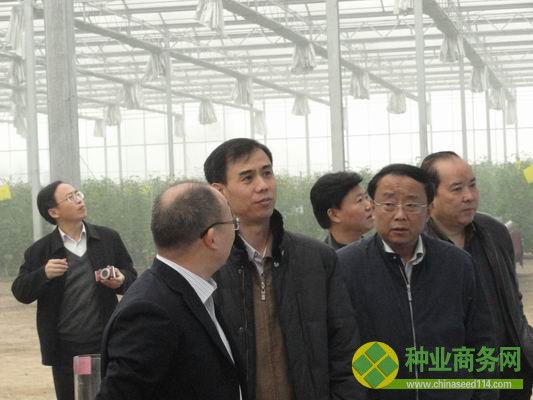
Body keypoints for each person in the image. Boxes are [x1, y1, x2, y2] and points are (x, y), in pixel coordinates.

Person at [204, 138, 364, 400]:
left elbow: (345, 346)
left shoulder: (316, 258)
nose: (263, 185)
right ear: (219, 191)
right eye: (248, 178)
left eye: (267, 173)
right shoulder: (207, 266)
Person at [337, 164, 496, 400]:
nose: (400, 215)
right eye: (389, 204)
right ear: (373, 207)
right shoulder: (345, 266)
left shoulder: (458, 264)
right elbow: (338, 350)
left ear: (429, 210)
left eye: (412, 205)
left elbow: (482, 341)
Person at [97, 181, 242, 400]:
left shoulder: (192, 292)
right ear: (211, 237)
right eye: (233, 222)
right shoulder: (149, 312)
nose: (235, 229)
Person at [421, 151, 533, 399]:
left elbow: (512, 299)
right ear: (430, 197)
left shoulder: (493, 232)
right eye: (457, 189)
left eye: (472, 185)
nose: (469, 196)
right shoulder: (418, 246)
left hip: (509, 371)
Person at [11, 180, 137, 400]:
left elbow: (132, 277)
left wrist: (121, 280)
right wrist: (43, 274)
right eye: (70, 197)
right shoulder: (40, 251)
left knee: (111, 395)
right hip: (65, 349)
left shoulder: (108, 238)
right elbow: (20, 291)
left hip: (106, 343)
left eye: (78, 194)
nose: (79, 200)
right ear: (54, 212)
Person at [310, 171, 373, 250]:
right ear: (334, 215)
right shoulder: (322, 257)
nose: (369, 206)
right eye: (359, 200)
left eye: (366, 197)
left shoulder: (380, 250)